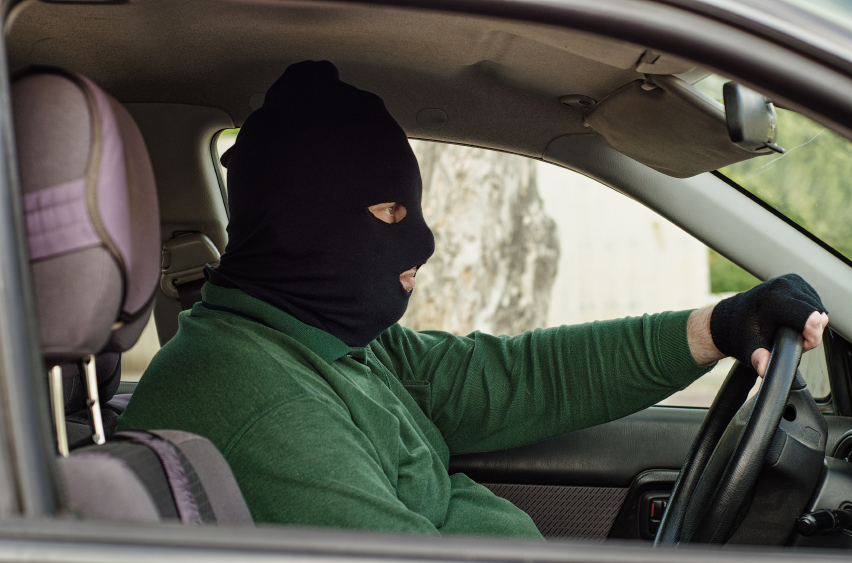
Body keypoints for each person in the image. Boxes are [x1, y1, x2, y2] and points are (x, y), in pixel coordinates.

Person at [117, 60, 829, 539]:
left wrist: (719, 325)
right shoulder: (258, 400)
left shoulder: (331, 340)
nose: (422, 245)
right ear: (303, 221)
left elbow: (513, 376)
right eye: (391, 212)